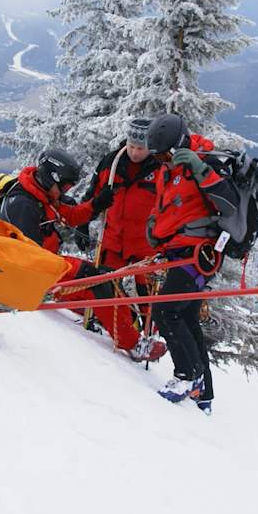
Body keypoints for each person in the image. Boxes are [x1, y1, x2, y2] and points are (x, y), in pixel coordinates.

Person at [144, 114, 238, 414]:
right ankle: (204, 394)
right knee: (186, 317)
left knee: (166, 310)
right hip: (177, 251)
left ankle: (188, 375)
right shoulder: (166, 170)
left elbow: (229, 203)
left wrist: (200, 169)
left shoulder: (207, 162)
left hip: (199, 255)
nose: (160, 161)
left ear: (176, 147)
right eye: (156, 156)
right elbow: (166, 206)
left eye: (163, 155)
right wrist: (154, 228)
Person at [77, 117, 167, 362]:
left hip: (145, 247)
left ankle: (146, 335)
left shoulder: (161, 169)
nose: (135, 152)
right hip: (113, 241)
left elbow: (170, 207)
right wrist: (84, 222)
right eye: (132, 146)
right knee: (104, 286)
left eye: (141, 148)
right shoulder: (111, 163)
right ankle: (104, 324)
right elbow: (93, 194)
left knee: (148, 299)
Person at [0, 147, 115, 290]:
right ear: (50, 178)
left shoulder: (42, 193)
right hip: (30, 278)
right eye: (65, 187)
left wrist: (96, 205)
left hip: (48, 268)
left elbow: (71, 215)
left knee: (102, 283)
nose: (65, 191)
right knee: (100, 289)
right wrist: (81, 270)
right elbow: (33, 259)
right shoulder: (24, 207)